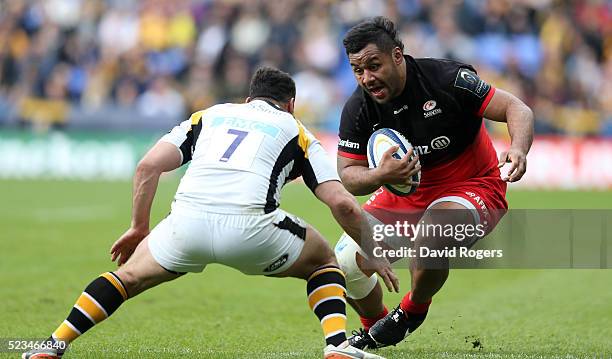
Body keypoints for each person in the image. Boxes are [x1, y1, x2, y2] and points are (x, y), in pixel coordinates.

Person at [23, 67, 399, 359]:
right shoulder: (296, 129)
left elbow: (147, 168)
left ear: (249, 98)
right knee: (323, 262)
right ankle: (335, 344)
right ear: (290, 104)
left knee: (127, 278)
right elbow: (342, 202)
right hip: (253, 230)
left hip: (186, 225)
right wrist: (373, 246)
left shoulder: (209, 115)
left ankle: (54, 343)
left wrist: (140, 227)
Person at [333, 17, 534, 349]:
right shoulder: (358, 108)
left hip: (473, 186)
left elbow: (518, 108)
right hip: (404, 195)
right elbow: (348, 176)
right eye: (358, 70)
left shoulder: (447, 79)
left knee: (433, 233)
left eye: (374, 65)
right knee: (345, 264)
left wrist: (517, 149)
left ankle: (412, 312)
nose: (367, 78)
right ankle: (376, 329)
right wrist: (380, 176)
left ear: (397, 55)